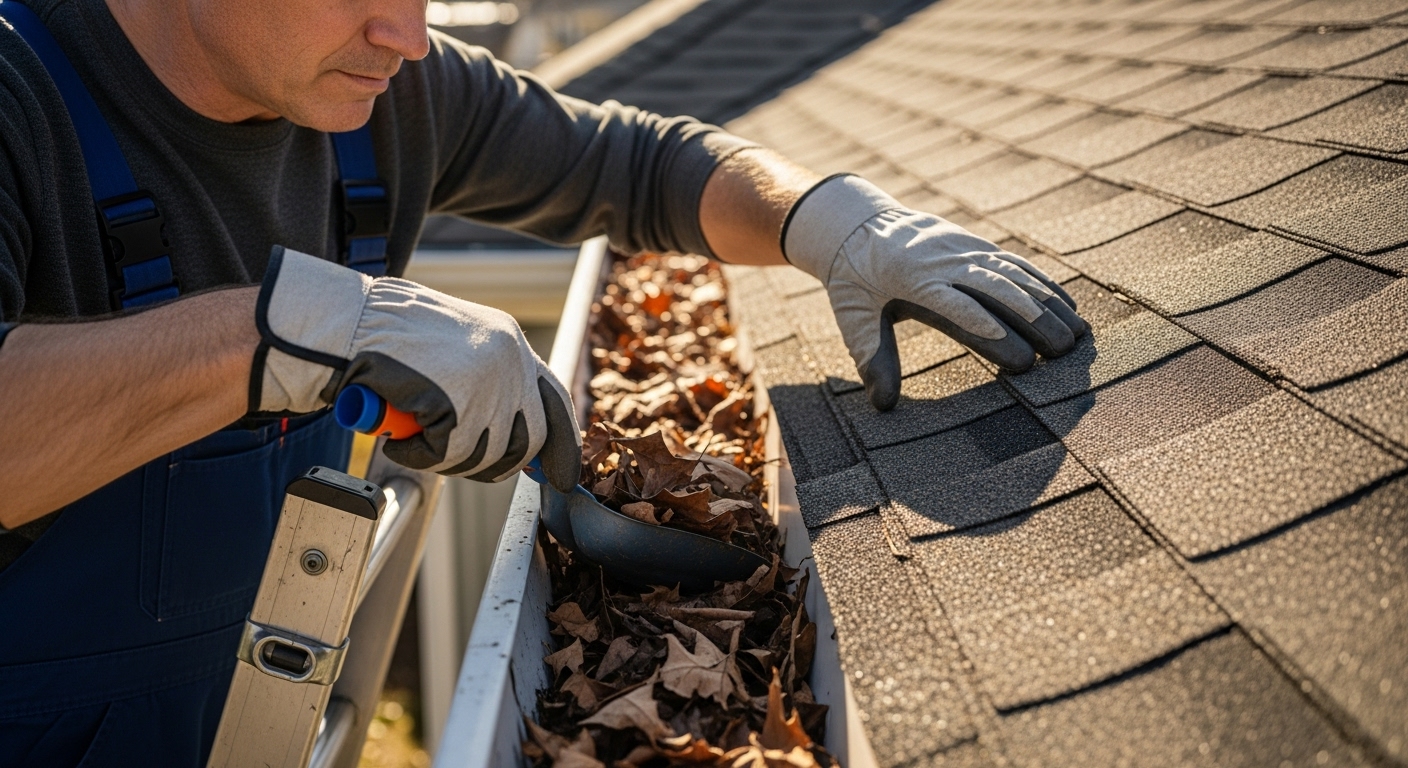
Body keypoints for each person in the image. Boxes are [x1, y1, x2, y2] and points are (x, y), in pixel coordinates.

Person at [0, 0, 1088, 764]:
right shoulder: (19, 92)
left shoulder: (391, 93)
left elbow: (639, 164)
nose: (405, 32)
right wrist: (301, 330)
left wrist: (831, 219)